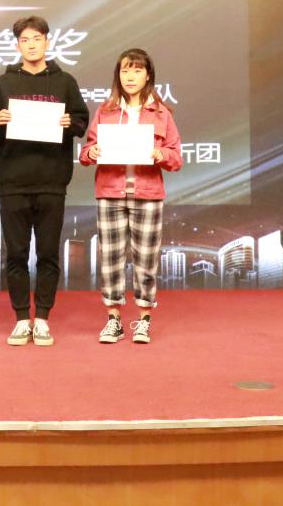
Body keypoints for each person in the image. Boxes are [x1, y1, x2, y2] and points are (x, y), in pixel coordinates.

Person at [0, 16, 89, 347]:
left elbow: (81, 121)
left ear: (47, 42)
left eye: (37, 39)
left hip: (52, 181)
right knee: (16, 254)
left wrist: (70, 122)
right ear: (17, 45)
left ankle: (42, 318)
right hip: (13, 180)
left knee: (47, 254)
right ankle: (20, 319)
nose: (31, 45)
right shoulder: (4, 83)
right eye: (25, 40)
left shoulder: (65, 81)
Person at [79, 48, 182, 344]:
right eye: (125, 70)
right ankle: (113, 320)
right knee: (110, 258)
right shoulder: (106, 111)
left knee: (146, 260)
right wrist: (92, 152)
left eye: (137, 70)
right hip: (110, 192)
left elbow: (176, 158)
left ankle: (143, 320)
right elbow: (86, 153)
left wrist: (160, 154)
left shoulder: (161, 113)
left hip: (147, 194)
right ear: (118, 75)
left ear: (148, 75)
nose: (130, 76)